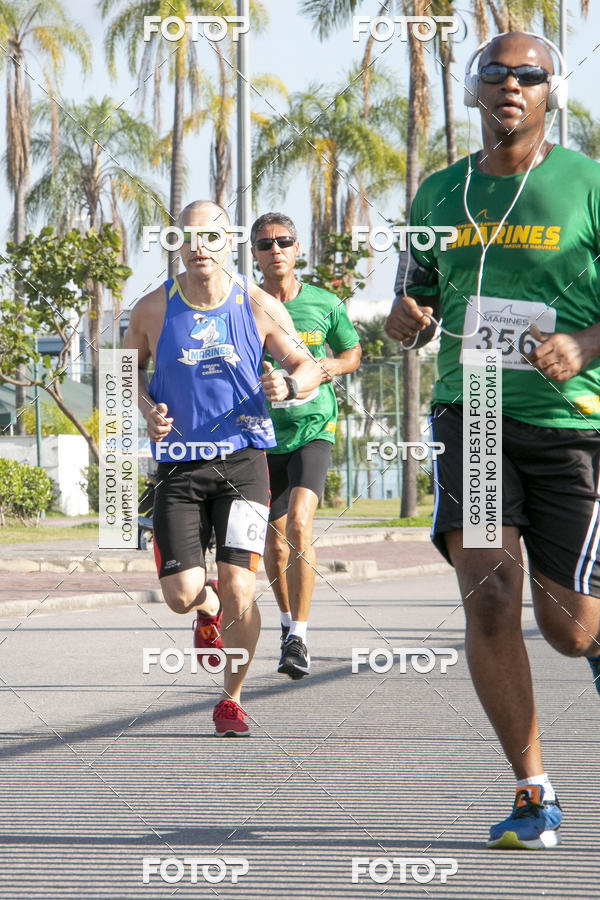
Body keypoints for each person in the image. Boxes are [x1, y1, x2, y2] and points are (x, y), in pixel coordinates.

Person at [385, 31, 600, 850]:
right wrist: (404, 321)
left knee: (571, 628)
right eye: (497, 75)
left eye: (530, 76)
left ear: (552, 94)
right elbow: (415, 306)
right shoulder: (440, 195)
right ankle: (532, 790)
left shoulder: (587, 186)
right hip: (470, 408)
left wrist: (583, 344)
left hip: (570, 419)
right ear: (475, 91)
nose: (512, 86)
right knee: (490, 593)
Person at [124, 200, 321, 736]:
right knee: (180, 596)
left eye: (210, 236)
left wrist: (290, 384)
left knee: (242, 587)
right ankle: (205, 603)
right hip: (179, 470)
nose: (199, 247)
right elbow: (122, 370)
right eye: (188, 237)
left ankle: (231, 698)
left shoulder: (256, 305)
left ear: (227, 241)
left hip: (243, 462)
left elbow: (306, 364)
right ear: (176, 244)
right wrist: (146, 408)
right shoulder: (151, 310)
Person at [251, 212, 361, 679]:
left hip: (313, 429)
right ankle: (285, 625)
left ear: (299, 250)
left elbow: (353, 353)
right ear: (253, 254)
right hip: (262, 435)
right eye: (265, 244)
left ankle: (300, 634)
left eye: (284, 241)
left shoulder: (324, 302)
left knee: (300, 524)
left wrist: (326, 368)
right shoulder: (243, 306)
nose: (275, 249)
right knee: (273, 544)